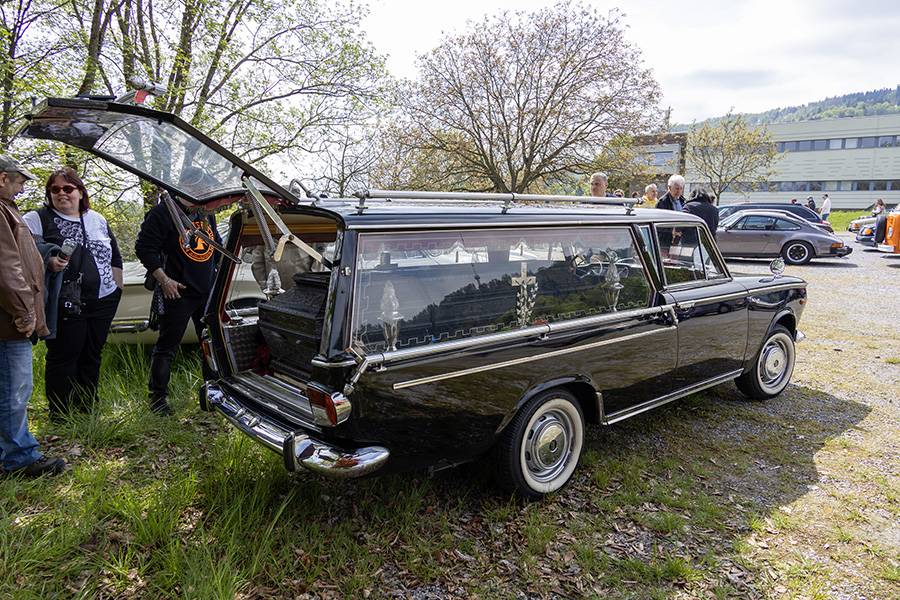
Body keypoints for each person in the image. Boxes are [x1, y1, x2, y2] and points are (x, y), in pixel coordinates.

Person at [22, 168, 123, 420]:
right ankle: (61, 413)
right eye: (54, 189)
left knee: (92, 354)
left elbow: (115, 257)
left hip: (103, 300)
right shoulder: (37, 219)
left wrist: (116, 291)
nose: (61, 194)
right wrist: (47, 261)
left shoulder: (97, 218)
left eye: (68, 188)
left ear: (80, 191)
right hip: (64, 301)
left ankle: (87, 407)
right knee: (65, 354)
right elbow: (21, 253)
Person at [0, 154, 66, 477]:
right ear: (3, 179)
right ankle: (19, 458)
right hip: (9, 322)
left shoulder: (7, 210)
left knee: (11, 387)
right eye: (19, 182)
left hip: (9, 318)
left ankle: (10, 452)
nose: (21, 189)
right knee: (15, 388)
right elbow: (7, 269)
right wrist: (25, 312)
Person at [135, 194, 220, 415]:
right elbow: (144, 248)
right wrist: (164, 280)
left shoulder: (203, 212)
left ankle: (212, 395)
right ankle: (157, 400)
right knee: (167, 347)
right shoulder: (162, 213)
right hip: (177, 290)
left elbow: (217, 246)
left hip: (206, 291)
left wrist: (218, 279)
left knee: (210, 345)